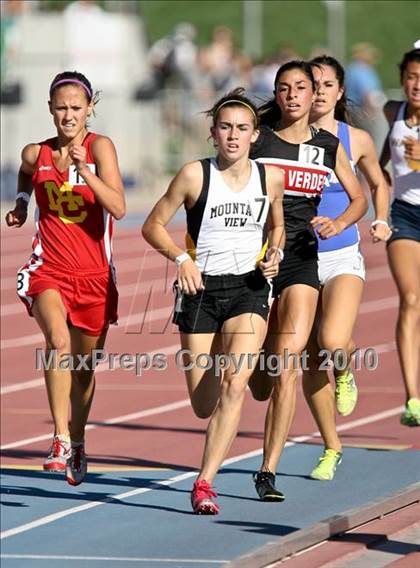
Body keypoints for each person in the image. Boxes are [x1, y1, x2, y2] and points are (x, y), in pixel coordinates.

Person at [142, 89, 285, 514]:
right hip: (200, 291)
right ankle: (237, 355)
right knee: (204, 405)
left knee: (234, 385)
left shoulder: (269, 177)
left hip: (250, 288)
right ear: (213, 134)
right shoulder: (193, 175)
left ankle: (205, 483)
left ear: (255, 135)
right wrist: (181, 258)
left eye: (242, 128)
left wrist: (274, 252)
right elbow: (152, 226)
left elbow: (277, 227)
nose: (234, 136)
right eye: (226, 128)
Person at [247, 60, 368, 500]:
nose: (295, 95)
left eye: (302, 87)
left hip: (302, 260)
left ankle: (267, 471)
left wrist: (338, 222)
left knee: (288, 360)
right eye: (286, 88)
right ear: (277, 95)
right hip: (254, 261)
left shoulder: (329, 145)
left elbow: (359, 198)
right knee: (257, 383)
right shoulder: (257, 140)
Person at [5, 71, 126, 485]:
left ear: (90, 109)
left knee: (85, 371)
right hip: (49, 269)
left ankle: (76, 440)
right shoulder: (35, 153)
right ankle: (57, 437)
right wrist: (22, 203)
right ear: (50, 109)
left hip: (94, 277)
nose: (68, 115)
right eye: (61, 108)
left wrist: (86, 171)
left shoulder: (100, 147)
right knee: (57, 342)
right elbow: (24, 173)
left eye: (76, 108)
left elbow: (119, 207)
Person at [301, 55, 391, 481]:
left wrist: (382, 217)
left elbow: (378, 182)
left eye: (326, 84)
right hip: (297, 260)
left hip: (340, 255)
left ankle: (346, 365)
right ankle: (331, 447)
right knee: (307, 359)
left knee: (333, 339)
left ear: (339, 93)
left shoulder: (355, 140)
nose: (318, 91)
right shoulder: (282, 138)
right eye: (311, 83)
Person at [379, 47, 420, 426]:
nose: (417, 84)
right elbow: (383, 161)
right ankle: (413, 398)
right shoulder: (393, 112)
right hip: (405, 216)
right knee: (409, 298)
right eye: (410, 76)